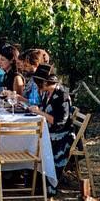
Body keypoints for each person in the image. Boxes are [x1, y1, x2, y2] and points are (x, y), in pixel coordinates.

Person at [28, 65, 76, 193]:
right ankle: (34, 178)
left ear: (45, 82)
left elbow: (59, 122)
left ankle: (48, 184)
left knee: (35, 141)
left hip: (62, 136)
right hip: (49, 131)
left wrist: (40, 113)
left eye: (39, 83)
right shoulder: (48, 93)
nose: (37, 86)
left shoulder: (62, 96)